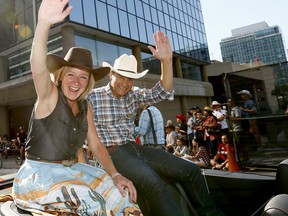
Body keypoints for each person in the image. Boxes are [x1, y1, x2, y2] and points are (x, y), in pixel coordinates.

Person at [12, 1, 141, 215]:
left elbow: (96, 146)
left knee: (122, 196)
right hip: (41, 177)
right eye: (70, 74)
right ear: (61, 77)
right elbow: (37, 67)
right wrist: (43, 24)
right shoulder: (49, 96)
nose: (76, 82)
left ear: (88, 82)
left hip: (71, 170)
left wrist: (115, 174)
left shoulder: (85, 106)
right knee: (94, 204)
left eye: (83, 77)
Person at [88, 31, 224, 216]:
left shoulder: (134, 95)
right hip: (113, 153)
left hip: (137, 149)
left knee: (191, 170)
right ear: (111, 74)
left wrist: (166, 62)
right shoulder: (93, 97)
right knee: (154, 183)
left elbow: (163, 91)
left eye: (130, 78)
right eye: (121, 76)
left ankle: (211, 214)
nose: (125, 83)